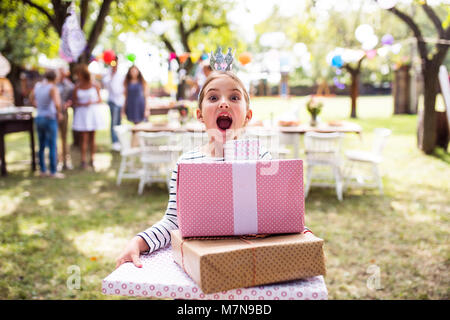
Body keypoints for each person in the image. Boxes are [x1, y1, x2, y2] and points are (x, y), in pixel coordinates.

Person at [115, 70, 272, 269]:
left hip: (249, 263)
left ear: (248, 116)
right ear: (199, 115)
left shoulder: (260, 159)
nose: (224, 103)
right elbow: (173, 222)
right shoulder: (187, 164)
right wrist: (138, 242)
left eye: (234, 97)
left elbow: (273, 218)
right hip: (200, 263)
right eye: (213, 97)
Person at [29, 70, 65, 179]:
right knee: (52, 145)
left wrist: (38, 106)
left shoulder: (38, 86)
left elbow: (31, 97)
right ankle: (53, 171)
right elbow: (57, 103)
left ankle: (43, 170)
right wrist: (59, 113)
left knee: (41, 145)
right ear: (55, 78)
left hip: (39, 117)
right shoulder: (53, 88)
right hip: (50, 118)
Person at [72, 64, 104, 170]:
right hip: (82, 114)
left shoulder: (94, 85)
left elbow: (100, 100)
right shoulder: (77, 86)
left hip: (92, 113)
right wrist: (82, 104)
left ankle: (92, 159)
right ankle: (83, 160)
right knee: (84, 138)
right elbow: (74, 101)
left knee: (92, 138)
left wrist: (91, 102)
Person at [102, 58, 125, 151]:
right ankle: (115, 141)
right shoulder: (108, 74)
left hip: (120, 101)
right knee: (114, 122)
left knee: (119, 122)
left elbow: (122, 88)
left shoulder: (121, 74)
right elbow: (107, 85)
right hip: (113, 101)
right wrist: (111, 75)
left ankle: (119, 140)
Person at [56, 68, 75, 169]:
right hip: (54, 113)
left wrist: (68, 104)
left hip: (64, 112)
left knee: (64, 137)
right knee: (55, 138)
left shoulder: (69, 85)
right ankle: (58, 160)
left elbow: (72, 98)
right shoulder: (54, 84)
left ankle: (66, 160)